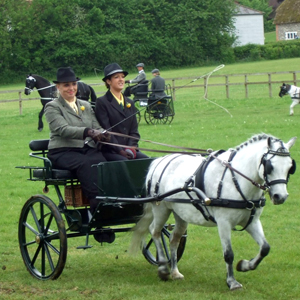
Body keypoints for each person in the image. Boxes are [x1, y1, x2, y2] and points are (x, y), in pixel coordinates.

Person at [44, 67, 109, 212]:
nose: (71, 88)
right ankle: (96, 203)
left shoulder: (85, 105)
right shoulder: (52, 107)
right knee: (86, 164)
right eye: (66, 85)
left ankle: (110, 198)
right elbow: (62, 129)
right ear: (58, 87)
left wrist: (103, 133)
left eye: (73, 84)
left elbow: (96, 126)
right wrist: (87, 131)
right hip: (62, 151)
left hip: (85, 149)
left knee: (102, 161)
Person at [95, 63, 148, 161]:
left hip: (129, 149)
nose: (121, 80)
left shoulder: (130, 102)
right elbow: (106, 131)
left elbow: (134, 131)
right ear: (108, 81)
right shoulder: (102, 102)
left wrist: (131, 148)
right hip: (111, 150)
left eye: (122, 77)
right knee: (124, 163)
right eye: (116, 77)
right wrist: (120, 150)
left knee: (147, 160)